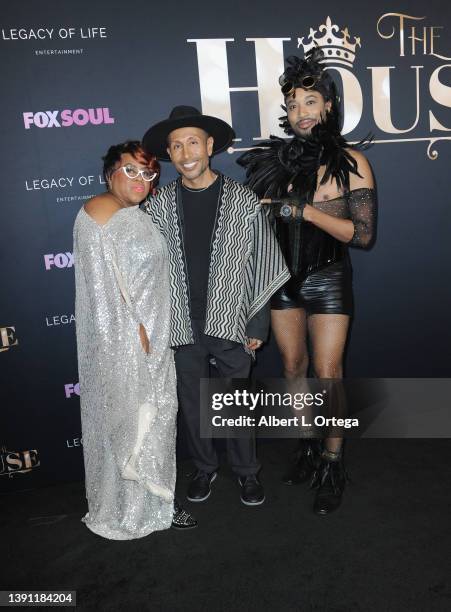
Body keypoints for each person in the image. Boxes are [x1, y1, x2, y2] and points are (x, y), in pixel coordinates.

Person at [238, 48, 376, 515]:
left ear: (329, 106)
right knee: (293, 368)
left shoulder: (352, 162)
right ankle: (307, 447)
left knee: (328, 373)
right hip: (282, 282)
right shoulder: (274, 162)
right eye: (293, 103)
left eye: (310, 101)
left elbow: (362, 235)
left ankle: (333, 462)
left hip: (329, 280)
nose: (301, 112)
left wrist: (306, 211)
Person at [142, 107, 289, 506]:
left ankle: (246, 473)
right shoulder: (157, 208)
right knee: (193, 404)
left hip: (232, 319)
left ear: (209, 146)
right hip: (181, 324)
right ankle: (204, 468)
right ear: (169, 154)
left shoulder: (243, 201)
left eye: (192, 141)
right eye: (176, 145)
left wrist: (257, 326)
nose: (185, 152)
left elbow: (262, 263)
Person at [73, 140, 196, 539]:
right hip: (129, 340)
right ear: (110, 172)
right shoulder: (98, 211)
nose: (140, 180)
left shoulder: (133, 213)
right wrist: (134, 332)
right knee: (136, 417)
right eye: (131, 170)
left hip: (154, 336)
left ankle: (156, 501)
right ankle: (133, 509)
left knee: (157, 417)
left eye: (148, 173)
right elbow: (103, 290)